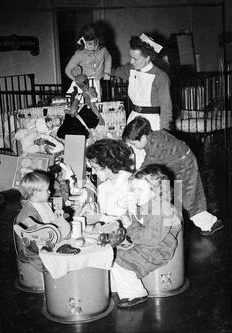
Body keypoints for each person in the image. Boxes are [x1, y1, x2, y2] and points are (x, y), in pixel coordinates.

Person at [122, 116, 224, 236]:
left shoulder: (155, 147)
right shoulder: (155, 135)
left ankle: (209, 224)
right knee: (179, 197)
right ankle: (174, 226)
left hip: (185, 166)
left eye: (134, 143)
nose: (133, 146)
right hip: (179, 163)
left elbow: (145, 169)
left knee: (187, 200)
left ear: (143, 137)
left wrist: (129, 180)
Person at [112, 164, 182, 308]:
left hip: (160, 248)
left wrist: (131, 224)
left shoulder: (161, 209)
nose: (135, 193)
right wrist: (131, 213)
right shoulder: (150, 203)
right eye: (133, 189)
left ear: (156, 191)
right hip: (152, 242)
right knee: (112, 252)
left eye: (139, 190)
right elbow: (142, 221)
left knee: (118, 258)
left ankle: (135, 293)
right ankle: (121, 287)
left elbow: (150, 239)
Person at [113, 33, 172, 131]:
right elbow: (112, 72)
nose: (131, 62)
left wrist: (164, 133)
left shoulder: (161, 77)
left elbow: (166, 110)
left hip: (152, 124)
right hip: (133, 119)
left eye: (135, 59)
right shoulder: (130, 69)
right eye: (130, 57)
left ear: (147, 58)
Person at [15, 171, 72, 269]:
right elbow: (31, 246)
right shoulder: (28, 214)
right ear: (35, 193)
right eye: (47, 190)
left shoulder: (42, 203)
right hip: (39, 255)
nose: (50, 191)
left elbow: (50, 221)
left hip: (50, 242)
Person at [85, 139, 134, 224]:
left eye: (95, 168)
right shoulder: (103, 186)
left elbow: (132, 222)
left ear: (107, 164)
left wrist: (101, 218)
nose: (93, 172)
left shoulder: (130, 184)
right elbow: (104, 213)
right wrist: (92, 208)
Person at [65, 24, 112, 101]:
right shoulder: (79, 54)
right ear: (83, 41)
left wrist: (107, 72)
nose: (93, 46)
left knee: (96, 102)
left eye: (96, 42)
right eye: (89, 43)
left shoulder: (103, 50)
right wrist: (77, 81)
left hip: (96, 81)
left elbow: (108, 58)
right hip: (83, 84)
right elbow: (67, 70)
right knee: (81, 104)